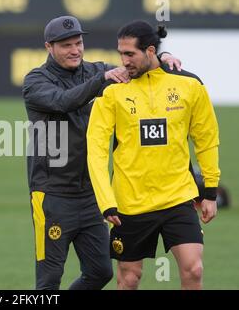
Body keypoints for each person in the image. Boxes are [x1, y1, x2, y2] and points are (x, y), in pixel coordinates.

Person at [22, 15, 181, 290]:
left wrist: (162, 56)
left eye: (78, 43)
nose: (75, 50)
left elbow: (136, 65)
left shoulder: (96, 70)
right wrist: (102, 81)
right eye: (66, 45)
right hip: (52, 195)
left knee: (100, 272)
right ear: (49, 47)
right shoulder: (36, 80)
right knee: (48, 280)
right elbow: (62, 102)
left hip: (91, 194)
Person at [87, 20, 220, 290]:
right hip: (130, 203)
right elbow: (96, 150)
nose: (123, 61)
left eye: (129, 54)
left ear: (150, 51)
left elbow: (206, 138)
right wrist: (106, 201)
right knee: (129, 279)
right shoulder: (112, 90)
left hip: (178, 197)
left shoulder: (190, 85)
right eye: (120, 54)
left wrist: (210, 191)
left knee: (193, 270)